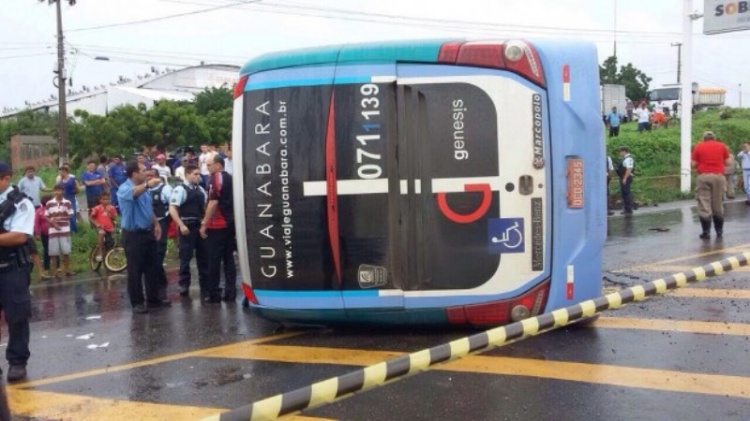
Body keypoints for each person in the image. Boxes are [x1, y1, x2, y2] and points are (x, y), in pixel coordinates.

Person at [117, 160, 169, 314]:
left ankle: (153, 299)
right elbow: (134, 194)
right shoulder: (124, 189)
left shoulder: (144, 190)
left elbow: (148, 207)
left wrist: (156, 224)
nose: (146, 172)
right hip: (133, 235)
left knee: (152, 268)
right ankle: (137, 302)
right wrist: (147, 184)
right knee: (135, 270)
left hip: (148, 232)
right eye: (142, 170)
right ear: (134, 174)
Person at [0, 161, 35, 382]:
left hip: (12, 269)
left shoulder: (20, 203)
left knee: (17, 317)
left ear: (6, 178)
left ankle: (17, 362)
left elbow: (19, 236)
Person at [169, 164, 208, 299]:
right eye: (195, 174)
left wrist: (204, 224)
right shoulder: (180, 189)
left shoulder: (201, 190)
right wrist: (180, 225)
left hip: (199, 225)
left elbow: (206, 208)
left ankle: (205, 284)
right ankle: (184, 284)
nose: (198, 177)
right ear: (187, 175)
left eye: (199, 174)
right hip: (186, 225)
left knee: (203, 256)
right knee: (185, 256)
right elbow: (173, 209)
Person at [200, 154, 236, 302]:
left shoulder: (216, 177)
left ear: (218, 164)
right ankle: (230, 291)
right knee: (229, 259)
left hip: (218, 224)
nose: (207, 168)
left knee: (214, 259)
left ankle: (214, 292)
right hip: (230, 222)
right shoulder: (230, 177)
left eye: (208, 165)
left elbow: (213, 202)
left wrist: (204, 223)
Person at [691, 131, 731, 239]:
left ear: (703, 138)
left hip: (704, 177)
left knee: (704, 203)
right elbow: (728, 163)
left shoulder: (698, 146)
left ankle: (706, 232)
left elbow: (693, 164)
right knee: (718, 204)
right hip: (719, 177)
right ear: (714, 138)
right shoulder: (722, 146)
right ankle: (719, 231)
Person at [145, 168, 172, 300]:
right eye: (146, 176)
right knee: (152, 253)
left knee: (159, 251)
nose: (148, 178)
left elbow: (172, 205)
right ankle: (161, 280)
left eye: (150, 176)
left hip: (161, 222)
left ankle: (158, 282)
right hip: (148, 224)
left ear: (156, 177)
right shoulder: (145, 190)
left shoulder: (165, 189)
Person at [44, 184, 75, 277]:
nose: (57, 192)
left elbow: (71, 214)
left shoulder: (67, 202)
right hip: (53, 230)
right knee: (54, 252)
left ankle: (67, 270)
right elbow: (46, 216)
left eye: (59, 190)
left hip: (64, 229)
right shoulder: (49, 203)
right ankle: (55, 271)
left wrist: (61, 218)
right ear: (54, 192)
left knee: (66, 250)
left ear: (63, 191)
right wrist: (53, 223)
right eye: (56, 190)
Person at [89, 193, 117, 262]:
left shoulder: (112, 208)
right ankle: (100, 252)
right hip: (101, 227)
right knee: (101, 233)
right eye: (103, 199)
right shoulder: (97, 208)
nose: (106, 201)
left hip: (110, 227)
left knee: (116, 236)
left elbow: (115, 218)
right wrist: (97, 224)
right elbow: (91, 217)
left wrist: (111, 215)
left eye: (107, 199)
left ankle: (115, 251)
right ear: (100, 200)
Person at [34, 195, 52, 280]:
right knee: (46, 250)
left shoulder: (53, 210)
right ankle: (46, 268)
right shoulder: (39, 211)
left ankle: (58, 267)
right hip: (44, 234)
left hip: (54, 232)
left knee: (55, 249)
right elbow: (36, 223)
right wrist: (37, 233)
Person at [57, 167, 79, 232]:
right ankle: (69, 231)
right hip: (63, 201)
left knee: (72, 216)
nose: (60, 174)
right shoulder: (60, 182)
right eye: (59, 172)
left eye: (61, 172)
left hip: (71, 200)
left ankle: (75, 231)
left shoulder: (72, 180)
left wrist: (74, 192)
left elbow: (78, 189)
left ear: (65, 172)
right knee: (66, 216)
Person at [615, 146, 635, 215]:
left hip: (626, 177)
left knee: (626, 193)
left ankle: (628, 209)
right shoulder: (625, 159)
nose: (619, 153)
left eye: (620, 151)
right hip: (623, 176)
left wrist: (625, 178)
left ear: (624, 151)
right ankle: (627, 208)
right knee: (624, 193)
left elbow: (629, 169)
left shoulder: (628, 159)